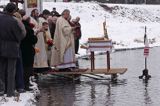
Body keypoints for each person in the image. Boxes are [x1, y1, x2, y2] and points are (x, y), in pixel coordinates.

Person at [0, 3, 26, 97]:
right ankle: (10, 92)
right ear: (13, 11)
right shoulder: (13, 21)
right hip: (12, 48)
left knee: (1, 70)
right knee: (11, 70)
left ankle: (1, 90)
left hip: (1, 47)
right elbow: (19, 35)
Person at [21, 16, 38, 91]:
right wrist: (35, 35)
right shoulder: (28, 28)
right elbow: (33, 40)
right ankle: (26, 85)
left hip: (22, 49)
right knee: (27, 68)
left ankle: (24, 84)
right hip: (28, 50)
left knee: (24, 68)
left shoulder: (21, 26)